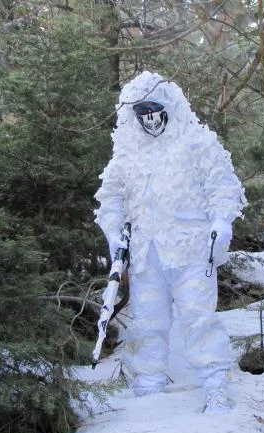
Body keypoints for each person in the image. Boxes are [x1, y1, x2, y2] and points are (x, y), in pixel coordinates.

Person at [94, 71, 246, 413]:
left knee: (199, 317)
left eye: (154, 110)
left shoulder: (197, 142)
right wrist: (113, 231)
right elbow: (112, 196)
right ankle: (148, 387)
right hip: (147, 253)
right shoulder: (128, 153)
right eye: (141, 113)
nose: (148, 119)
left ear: (168, 108)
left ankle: (216, 385)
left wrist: (222, 221)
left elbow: (222, 184)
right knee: (147, 319)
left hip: (192, 248)